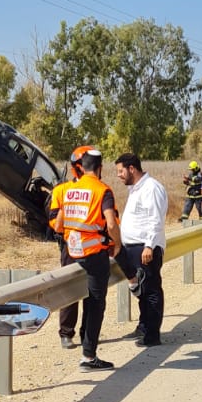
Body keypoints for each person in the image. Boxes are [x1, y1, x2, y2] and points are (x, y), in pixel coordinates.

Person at [51, 148, 121, 371]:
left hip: (72, 252)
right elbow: (110, 223)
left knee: (73, 294)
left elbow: (59, 224)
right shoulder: (102, 190)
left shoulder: (68, 191)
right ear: (99, 168)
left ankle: (72, 335)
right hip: (95, 254)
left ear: (81, 167)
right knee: (95, 303)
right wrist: (117, 243)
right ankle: (89, 356)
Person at [114, 152, 168, 347]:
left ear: (131, 169)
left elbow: (156, 219)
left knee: (151, 289)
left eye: (121, 171)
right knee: (142, 291)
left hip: (145, 248)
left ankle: (152, 335)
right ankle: (144, 327)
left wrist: (149, 246)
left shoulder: (151, 188)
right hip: (134, 247)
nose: (119, 175)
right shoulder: (136, 189)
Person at [48, 144, 93, 350]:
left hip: (94, 247)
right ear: (76, 167)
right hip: (71, 245)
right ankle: (66, 332)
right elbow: (52, 220)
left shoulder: (97, 189)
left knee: (93, 291)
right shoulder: (61, 190)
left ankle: (89, 333)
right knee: (70, 289)